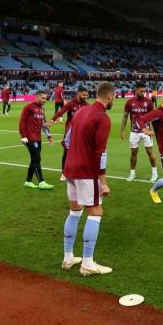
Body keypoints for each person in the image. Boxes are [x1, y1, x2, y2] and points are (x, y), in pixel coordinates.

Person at [61, 81, 116, 276]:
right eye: (114, 97)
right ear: (109, 96)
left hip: (70, 169)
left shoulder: (80, 111)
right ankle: (87, 263)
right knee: (95, 212)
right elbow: (100, 153)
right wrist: (103, 182)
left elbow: (66, 141)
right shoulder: (102, 117)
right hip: (87, 171)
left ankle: (68, 257)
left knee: (75, 212)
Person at [120, 82, 158, 182]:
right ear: (136, 90)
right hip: (134, 132)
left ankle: (154, 172)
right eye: (141, 91)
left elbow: (153, 117)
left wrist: (153, 131)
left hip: (146, 132)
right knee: (133, 153)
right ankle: (132, 173)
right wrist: (122, 131)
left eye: (144, 91)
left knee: (150, 152)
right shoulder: (129, 102)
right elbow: (125, 117)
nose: (143, 93)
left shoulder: (149, 102)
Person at [52, 86, 90, 181]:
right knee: (66, 152)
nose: (85, 97)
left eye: (86, 95)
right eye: (84, 95)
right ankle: (64, 173)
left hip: (81, 132)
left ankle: (78, 171)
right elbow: (61, 112)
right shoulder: (71, 103)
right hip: (70, 131)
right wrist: (52, 120)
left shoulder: (87, 105)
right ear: (78, 94)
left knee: (81, 152)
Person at [19, 90, 54, 190]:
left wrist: (49, 136)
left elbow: (44, 124)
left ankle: (28, 181)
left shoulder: (42, 110)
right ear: (37, 97)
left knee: (34, 159)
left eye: (46, 98)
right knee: (37, 159)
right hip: (30, 137)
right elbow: (22, 121)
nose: (45, 100)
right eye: (43, 98)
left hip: (38, 138)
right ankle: (41, 182)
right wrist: (23, 136)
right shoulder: (29, 107)